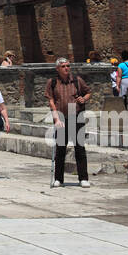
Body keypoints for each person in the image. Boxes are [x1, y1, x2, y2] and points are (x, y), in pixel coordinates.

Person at [45, 58, 91, 188]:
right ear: (57, 69)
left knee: (80, 148)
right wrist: (56, 119)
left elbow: (88, 92)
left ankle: (83, 178)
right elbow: (51, 101)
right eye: (63, 66)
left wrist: (84, 98)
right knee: (60, 149)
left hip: (76, 116)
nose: (66, 68)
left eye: (68, 66)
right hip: (61, 118)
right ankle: (58, 178)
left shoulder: (77, 81)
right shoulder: (52, 82)